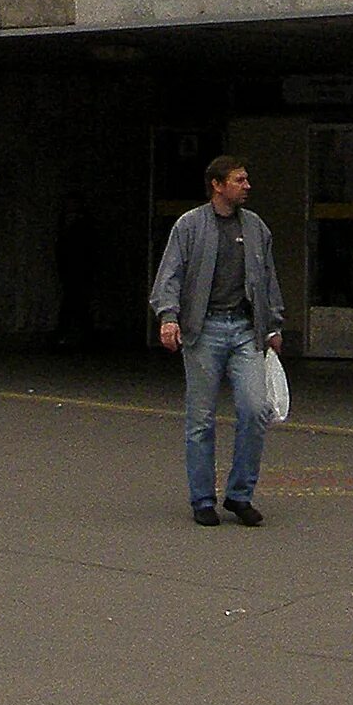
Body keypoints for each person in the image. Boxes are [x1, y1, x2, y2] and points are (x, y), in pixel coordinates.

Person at [149, 155, 286, 526]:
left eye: (246, 179)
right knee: (201, 419)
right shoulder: (190, 226)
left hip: (245, 329)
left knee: (256, 410)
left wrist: (272, 326)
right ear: (217, 184)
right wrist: (168, 317)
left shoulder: (256, 228)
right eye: (240, 180)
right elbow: (170, 275)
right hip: (204, 329)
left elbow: (268, 279)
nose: (247, 186)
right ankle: (203, 500)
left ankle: (240, 495)